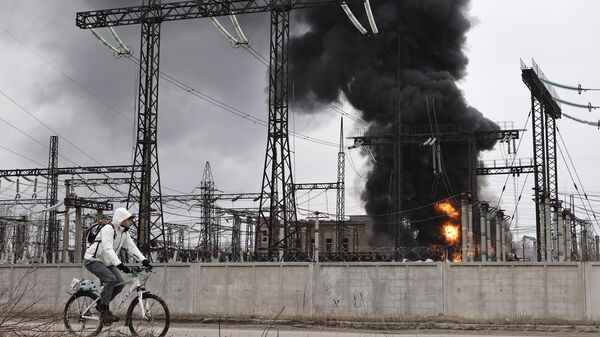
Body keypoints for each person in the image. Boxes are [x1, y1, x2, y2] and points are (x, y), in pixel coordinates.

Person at [84, 207, 153, 325]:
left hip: (107, 262)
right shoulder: (108, 229)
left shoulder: (123, 233)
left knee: (119, 282)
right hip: (93, 259)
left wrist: (144, 260)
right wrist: (120, 265)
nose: (131, 221)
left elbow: (132, 248)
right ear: (121, 219)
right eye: (129, 219)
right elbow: (107, 249)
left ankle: (101, 305)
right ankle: (105, 310)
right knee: (111, 279)